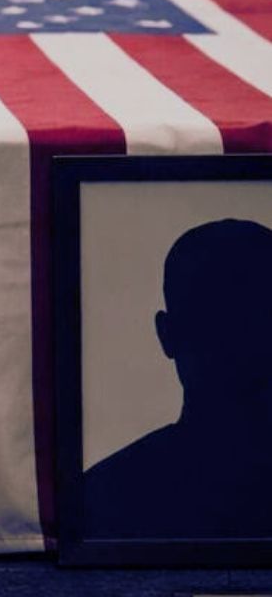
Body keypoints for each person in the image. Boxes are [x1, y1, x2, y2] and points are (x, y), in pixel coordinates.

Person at [82, 216, 272, 539]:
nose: (234, 342)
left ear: (165, 334)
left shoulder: (103, 496)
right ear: (166, 333)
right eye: (217, 320)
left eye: (250, 320)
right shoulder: (99, 497)